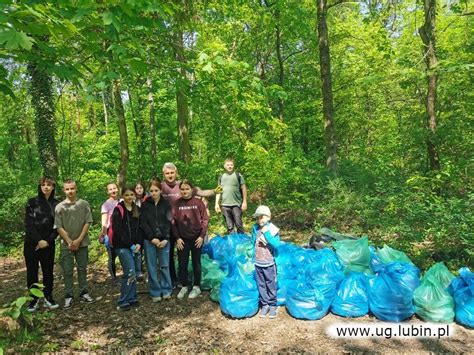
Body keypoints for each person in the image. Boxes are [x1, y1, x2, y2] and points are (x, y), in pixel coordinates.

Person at [160, 163, 221, 285]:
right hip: (166, 226)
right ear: (163, 174)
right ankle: (172, 280)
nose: (170, 175)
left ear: (176, 172)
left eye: (172, 173)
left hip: (183, 228)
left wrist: (214, 191)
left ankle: (189, 281)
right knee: (169, 254)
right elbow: (150, 196)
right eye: (167, 173)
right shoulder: (160, 187)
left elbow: (202, 192)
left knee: (185, 255)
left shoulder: (182, 186)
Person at [54, 179, 94, 309]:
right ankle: (68, 295)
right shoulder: (60, 207)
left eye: (72, 188)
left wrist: (78, 240)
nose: (70, 191)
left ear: (76, 189)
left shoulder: (84, 204)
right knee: (67, 271)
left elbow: (87, 222)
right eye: (67, 189)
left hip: (82, 243)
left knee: (82, 268)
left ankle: (84, 292)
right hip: (66, 245)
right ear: (64, 190)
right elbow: (58, 226)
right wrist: (69, 241)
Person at [24, 176, 60, 311]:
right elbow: (29, 224)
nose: (46, 187)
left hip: (48, 244)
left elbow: (58, 226)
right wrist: (39, 240)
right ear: (40, 187)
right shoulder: (32, 202)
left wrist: (47, 241)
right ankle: (33, 300)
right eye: (43, 184)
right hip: (31, 243)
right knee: (32, 272)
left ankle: (48, 297)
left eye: (48, 185)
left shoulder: (57, 204)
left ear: (53, 187)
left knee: (48, 271)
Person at [172, 180, 209, 299]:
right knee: (182, 263)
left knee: (196, 262)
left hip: (196, 238)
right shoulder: (176, 203)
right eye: (182, 189)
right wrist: (177, 238)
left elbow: (205, 220)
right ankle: (184, 286)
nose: (184, 191)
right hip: (182, 239)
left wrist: (201, 236)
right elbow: (173, 223)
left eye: (187, 189)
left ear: (192, 190)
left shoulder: (198, 203)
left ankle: (196, 286)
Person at [112, 187, 143, 311]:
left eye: (132, 194)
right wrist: (130, 244)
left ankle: (132, 297)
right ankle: (123, 300)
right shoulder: (118, 210)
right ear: (122, 196)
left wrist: (139, 244)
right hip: (122, 246)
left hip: (136, 246)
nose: (130, 197)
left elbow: (141, 228)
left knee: (135, 272)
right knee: (129, 272)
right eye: (127, 195)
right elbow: (118, 230)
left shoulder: (137, 209)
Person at [141, 179, 172, 302]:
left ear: (160, 190)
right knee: (152, 266)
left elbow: (169, 221)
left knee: (164, 266)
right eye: (151, 191)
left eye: (156, 190)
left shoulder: (166, 204)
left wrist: (166, 238)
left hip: (164, 240)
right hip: (150, 241)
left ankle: (166, 289)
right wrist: (151, 238)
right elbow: (143, 223)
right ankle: (155, 291)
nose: (154, 193)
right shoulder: (145, 204)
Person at [251, 205, 281, 319]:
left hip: (269, 263)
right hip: (258, 262)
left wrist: (266, 234)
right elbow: (253, 241)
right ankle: (265, 304)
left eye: (261, 217)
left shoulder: (272, 229)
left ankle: (273, 305)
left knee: (270, 284)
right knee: (261, 284)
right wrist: (251, 255)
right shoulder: (255, 228)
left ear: (268, 217)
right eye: (257, 218)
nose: (259, 220)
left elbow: (276, 244)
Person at [215, 158, 248, 234]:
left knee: (239, 225)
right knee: (230, 227)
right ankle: (232, 243)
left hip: (236, 204)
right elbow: (218, 191)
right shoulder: (221, 177)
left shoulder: (238, 175)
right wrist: (216, 204)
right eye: (228, 165)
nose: (230, 166)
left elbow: (243, 188)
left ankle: (241, 243)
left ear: (233, 166)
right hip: (225, 205)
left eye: (231, 165)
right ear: (224, 166)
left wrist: (244, 202)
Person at [99, 182, 119, 284]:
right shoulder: (106, 205)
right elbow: (104, 222)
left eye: (114, 188)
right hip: (110, 234)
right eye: (110, 189)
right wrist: (104, 234)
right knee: (112, 256)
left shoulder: (122, 201)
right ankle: (113, 277)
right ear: (107, 192)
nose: (113, 191)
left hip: (122, 234)